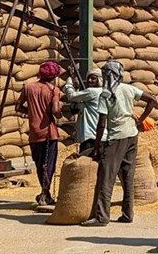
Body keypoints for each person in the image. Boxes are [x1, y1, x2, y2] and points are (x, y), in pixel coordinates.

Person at [82, 60, 158, 227]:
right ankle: (128, 213)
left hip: (116, 137)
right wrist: (141, 120)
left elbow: (102, 123)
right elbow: (152, 100)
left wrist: (96, 146)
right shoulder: (128, 88)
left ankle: (102, 217)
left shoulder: (106, 94)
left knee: (106, 177)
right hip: (132, 135)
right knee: (127, 176)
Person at [15, 60, 63, 207]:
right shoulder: (53, 89)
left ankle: (45, 193)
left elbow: (18, 107)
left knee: (39, 163)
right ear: (53, 77)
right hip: (49, 132)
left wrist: (31, 113)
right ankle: (44, 194)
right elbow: (55, 110)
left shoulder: (28, 87)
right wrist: (60, 115)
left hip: (34, 133)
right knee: (48, 165)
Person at [62, 66, 103, 157]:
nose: (89, 81)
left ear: (100, 79)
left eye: (93, 78)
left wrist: (69, 83)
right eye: (88, 78)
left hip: (90, 136)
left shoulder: (92, 92)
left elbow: (72, 96)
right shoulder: (103, 92)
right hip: (100, 136)